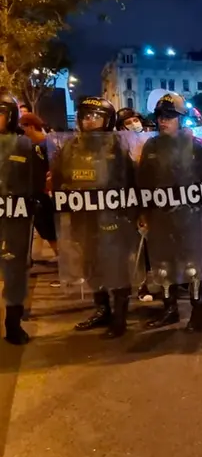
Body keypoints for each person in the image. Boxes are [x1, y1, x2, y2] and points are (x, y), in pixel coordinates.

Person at [50, 97, 138, 339]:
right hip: (83, 219)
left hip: (112, 218)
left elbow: (131, 183)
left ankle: (119, 317)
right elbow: (59, 179)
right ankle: (102, 310)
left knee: (116, 268)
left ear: (107, 120)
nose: (89, 121)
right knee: (91, 266)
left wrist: (130, 217)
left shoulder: (117, 147)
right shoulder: (70, 147)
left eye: (95, 116)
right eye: (86, 116)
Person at [137, 92, 202, 332]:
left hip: (191, 218)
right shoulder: (151, 146)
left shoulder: (197, 147)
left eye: (170, 117)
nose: (164, 121)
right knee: (164, 267)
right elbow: (143, 182)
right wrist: (143, 213)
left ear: (182, 119)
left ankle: (198, 312)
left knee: (194, 267)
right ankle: (169, 309)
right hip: (161, 217)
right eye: (161, 116)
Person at [0, 93, 39, 345]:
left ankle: (12, 323)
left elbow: (35, 180)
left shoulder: (25, 146)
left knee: (14, 269)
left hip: (15, 216)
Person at [19, 113, 58, 259]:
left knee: (49, 226)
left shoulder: (48, 144)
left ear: (30, 127)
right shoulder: (30, 146)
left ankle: (62, 257)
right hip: (36, 192)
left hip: (48, 193)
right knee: (43, 226)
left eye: (23, 127)